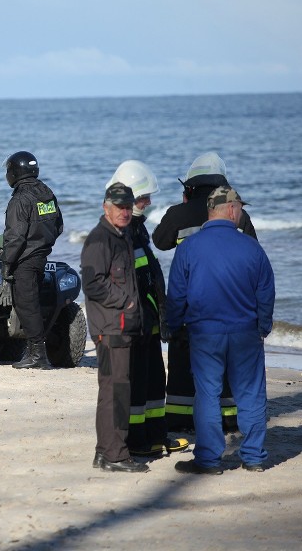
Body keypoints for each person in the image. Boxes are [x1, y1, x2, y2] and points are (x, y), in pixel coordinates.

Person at [166, 187, 275, 474]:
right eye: (239, 208)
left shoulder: (189, 247)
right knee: (250, 394)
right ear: (230, 210)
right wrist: (263, 326)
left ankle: (209, 460)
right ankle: (253, 457)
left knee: (207, 395)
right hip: (245, 333)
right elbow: (266, 292)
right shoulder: (251, 247)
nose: (241, 214)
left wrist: (175, 327)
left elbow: (176, 293)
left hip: (204, 334)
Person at [152, 152, 255, 433]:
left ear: (189, 186)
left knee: (183, 362)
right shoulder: (238, 215)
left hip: (189, 304)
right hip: (229, 304)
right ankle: (230, 419)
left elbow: (159, 242)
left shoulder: (178, 214)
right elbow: (253, 256)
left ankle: (180, 419)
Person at [105, 161, 189, 458]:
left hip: (148, 324)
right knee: (137, 388)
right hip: (132, 326)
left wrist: (163, 314)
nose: (149, 202)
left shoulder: (135, 229)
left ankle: (156, 437)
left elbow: (150, 276)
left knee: (154, 383)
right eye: (144, 198)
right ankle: (137, 442)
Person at [80, 182, 150, 473]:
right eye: (118, 207)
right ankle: (116, 456)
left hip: (121, 326)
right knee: (115, 391)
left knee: (115, 390)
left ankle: (104, 452)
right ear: (105, 207)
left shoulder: (122, 235)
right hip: (111, 328)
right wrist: (126, 302)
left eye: (127, 207)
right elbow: (92, 283)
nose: (123, 212)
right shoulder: (100, 239)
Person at [0, 151, 64, 370]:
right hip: (41, 255)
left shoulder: (20, 199)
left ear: (15, 172)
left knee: (27, 306)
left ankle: (37, 355)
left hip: (24, 259)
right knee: (32, 303)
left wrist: (6, 266)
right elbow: (58, 226)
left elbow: (14, 237)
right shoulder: (46, 193)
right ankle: (36, 351)